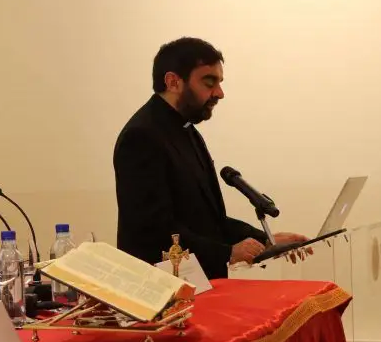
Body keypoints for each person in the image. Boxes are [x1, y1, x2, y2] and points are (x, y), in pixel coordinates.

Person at [113, 37, 305, 279]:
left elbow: (211, 221)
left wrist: (265, 239)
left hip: (193, 283)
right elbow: (153, 231)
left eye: (219, 82)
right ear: (173, 82)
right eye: (209, 82)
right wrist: (227, 253)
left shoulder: (188, 132)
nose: (220, 93)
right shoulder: (141, 137)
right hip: (156, 288)